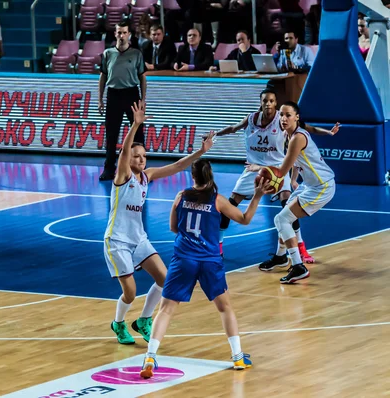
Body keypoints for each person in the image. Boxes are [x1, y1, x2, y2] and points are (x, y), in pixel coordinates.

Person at [139, 159, 274, 378]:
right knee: (225, 308)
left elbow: (174, 227)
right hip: (209, 260)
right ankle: (238, 356)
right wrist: (257, 195)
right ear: (210, 175)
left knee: (165, 310)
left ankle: (150, 356)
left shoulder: (181, 197)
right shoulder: (218, 200)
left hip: (183, 259)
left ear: (192, 177)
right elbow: (246, 219)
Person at [104, 100, 215, 344]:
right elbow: (123, 152)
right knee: (130, 293)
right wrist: (135, 124)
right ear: (129, 159)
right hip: (117, 240)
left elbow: (177, 166)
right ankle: (118, 323)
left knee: (165, 280)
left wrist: (201, 152)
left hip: (138, 238)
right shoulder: (122, 176)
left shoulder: (147, 175)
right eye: (137, 156)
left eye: (144, 156)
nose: (142, 159)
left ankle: (144, 320)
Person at [214, 88, 339, 264]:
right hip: (254, 170)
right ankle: (218, 247)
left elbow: (300, 141)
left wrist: (328, 132)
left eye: (272, 101)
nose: (268, 104)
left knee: (286, 212)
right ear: (261, 102)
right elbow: (233, 128)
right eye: (265, 101)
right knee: (230, 205)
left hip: (277, 170)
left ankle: (299, 253)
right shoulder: (254, 119)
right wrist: (215, 134)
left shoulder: (290, 129)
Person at [247, 101, 338, 284]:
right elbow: (297, 163)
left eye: (288, 115)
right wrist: (295, 180)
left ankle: (298, 266)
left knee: (281, 219)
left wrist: (259, 167)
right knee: (285, 215)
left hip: (322, 186)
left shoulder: (297, 137)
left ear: (297, 117)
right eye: (281, 114)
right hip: (310, 185)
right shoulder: (289, 136)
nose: (283, 118)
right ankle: (281, 257)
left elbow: (281, 171)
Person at [98, 19, 146, 181]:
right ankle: (109, 168)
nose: (121, 35)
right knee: (111, 134)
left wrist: (143, 99)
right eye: (119, 32)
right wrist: (100, 99)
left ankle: (140, 168)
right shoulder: (107, 54)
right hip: (113, 94)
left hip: (131, 94)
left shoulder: (136, 54)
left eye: (124, 32)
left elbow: (143, 78)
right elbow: (103, 76)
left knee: (138, 132)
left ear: (129, 35)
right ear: (115, 33)